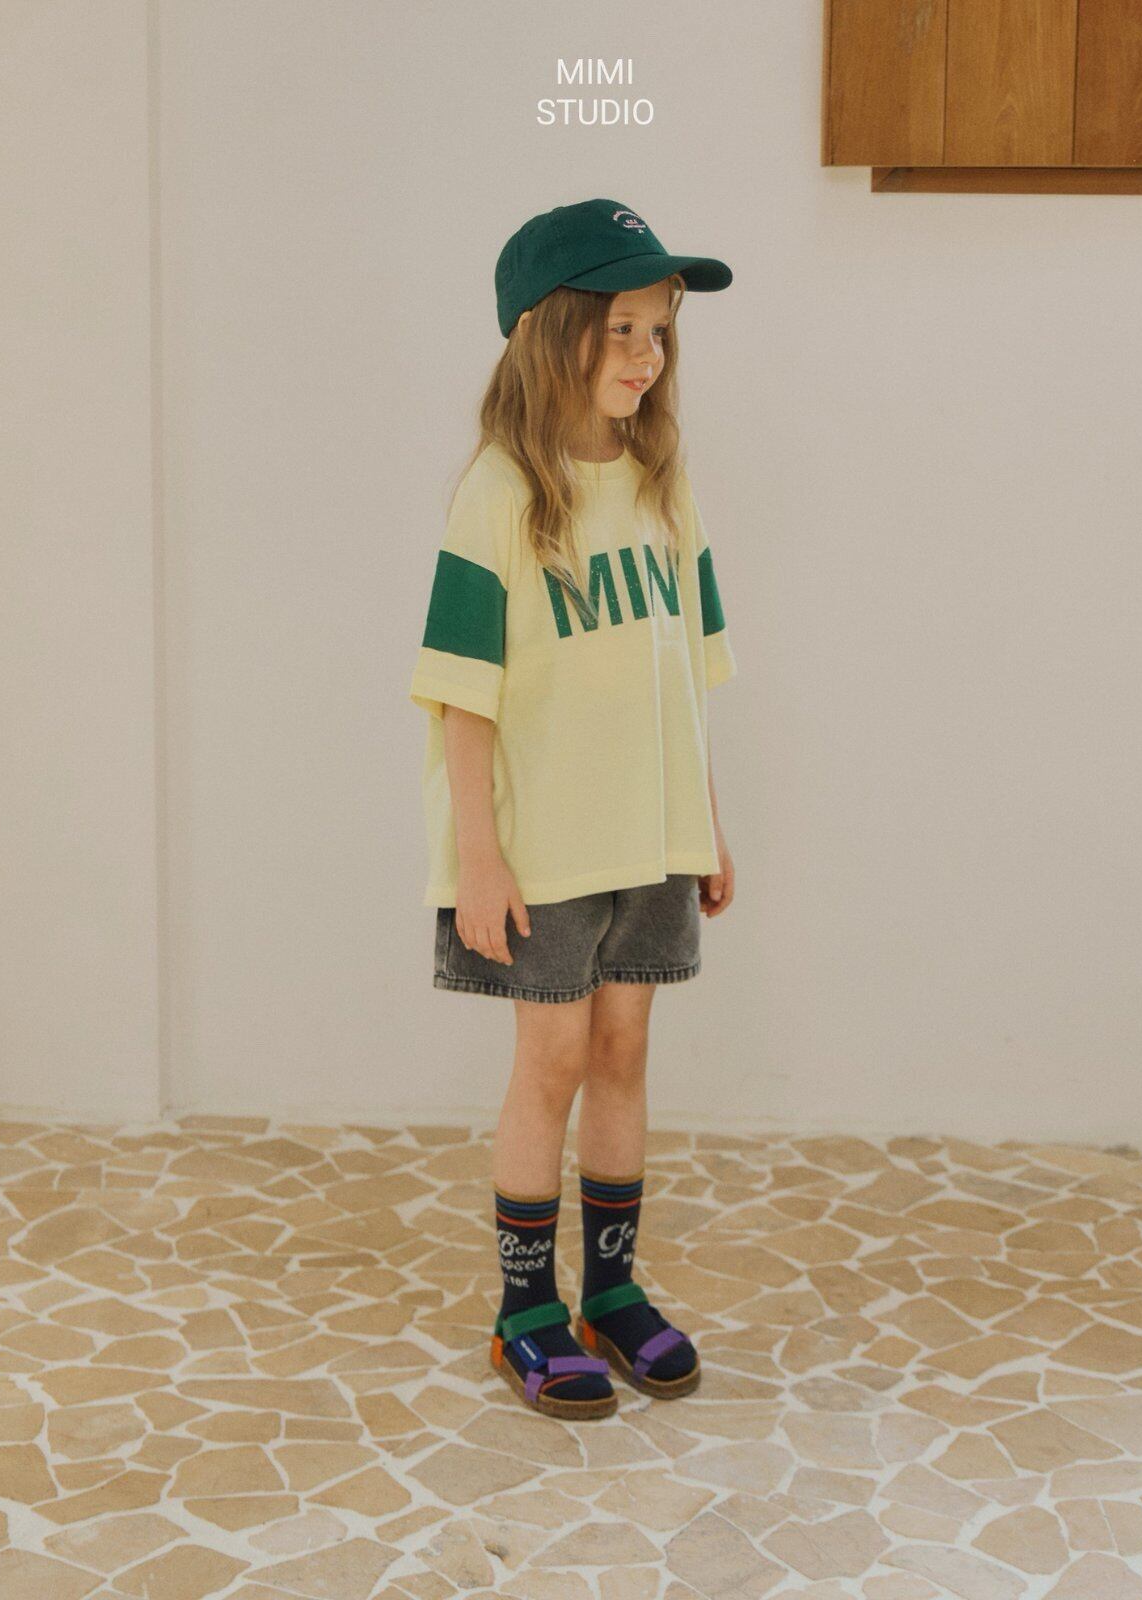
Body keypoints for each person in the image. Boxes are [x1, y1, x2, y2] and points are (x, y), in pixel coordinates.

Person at [409, 198, 738, 1420]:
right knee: (548, 1061)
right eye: (619, 328)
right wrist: (478, 858)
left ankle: (610, 1291)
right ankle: (524, 1311)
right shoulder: (498, 493)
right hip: (538, 846)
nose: (644, 355)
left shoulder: (663, 486)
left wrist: (703, 822)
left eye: (658, 330)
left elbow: (686, 672)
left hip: (647, 834)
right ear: (547, 334)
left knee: (622, 1052)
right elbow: (461, 693)